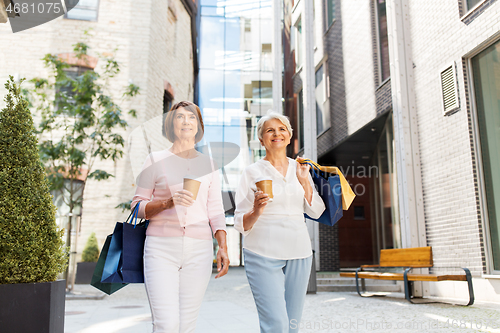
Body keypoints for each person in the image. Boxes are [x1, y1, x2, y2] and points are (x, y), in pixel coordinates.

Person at [131, 101, 229, 333]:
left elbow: (215, 210)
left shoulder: (210, 164)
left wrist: (223, 246)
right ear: (171, 125)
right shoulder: (155, 160)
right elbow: (136, 207)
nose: (186, 121)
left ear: (199, 126)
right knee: (166, 324)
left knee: (186, 325)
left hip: (200, 249)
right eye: (180, 117)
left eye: (192, 117)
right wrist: (168, 202)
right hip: (160, 248)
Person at [234, 112, 325, 333]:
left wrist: (304, 181)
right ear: (261, 139)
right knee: (276, 324)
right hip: (262, 251)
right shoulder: (251, 172)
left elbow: (317, 210)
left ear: (290, 135)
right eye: (270, 130)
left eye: (282, 129)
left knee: (292, 324)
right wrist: (256, 210)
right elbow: (240, 223)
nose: (277, 133)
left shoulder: (301, 168)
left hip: (299, 250)